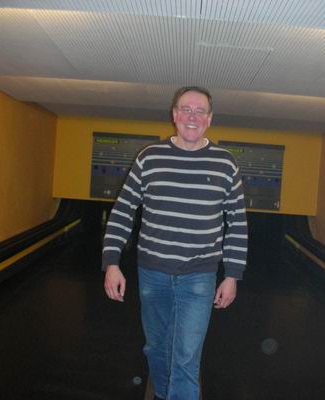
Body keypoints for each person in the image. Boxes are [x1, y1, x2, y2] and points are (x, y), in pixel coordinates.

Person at [102, 86, 248, 400]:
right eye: (186, 109)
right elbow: (123, 209)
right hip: (152, 273)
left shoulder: (226, 164)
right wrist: (112, 263)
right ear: (174, 114)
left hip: (199, 275)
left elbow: (237, 223)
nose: (192, 116)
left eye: (199, 111)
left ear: (209, 118)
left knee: (186, 355)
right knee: (156, 347)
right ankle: (163, 392)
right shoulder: (149, 158)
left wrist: (232, 275)